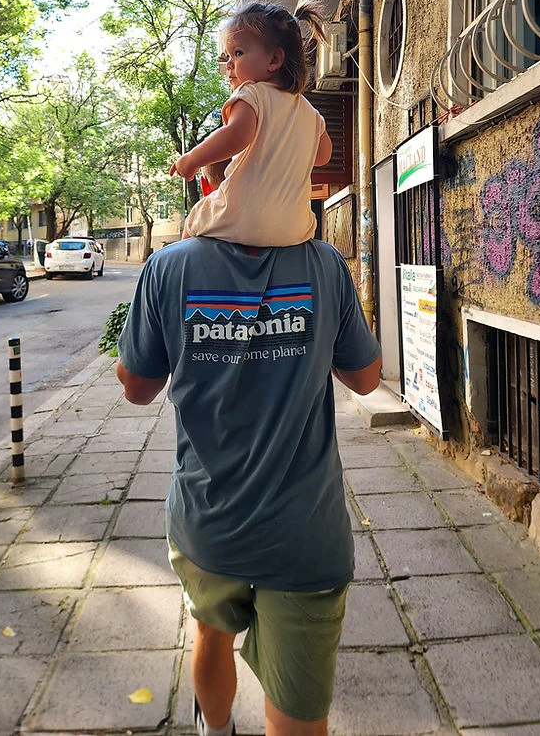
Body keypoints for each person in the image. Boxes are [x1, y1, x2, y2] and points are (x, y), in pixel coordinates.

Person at [116, 234, 381, 736]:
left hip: (208, 521)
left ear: (207, 187)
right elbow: (367, 379)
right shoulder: (323, 264)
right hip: (304, 533)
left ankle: (214, 731)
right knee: (299, 709)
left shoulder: (167, 268)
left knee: (210, 634)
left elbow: (136, 387)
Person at [169, 0, 334, 247]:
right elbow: (323, 156)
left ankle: (190, 272)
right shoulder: (310, 112)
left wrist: (191, 159)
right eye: (227, 57)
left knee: (196, 218)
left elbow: (236, 135)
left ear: (274, 60)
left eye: (238, 53)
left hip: (243, 220)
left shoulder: (251, 94)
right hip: (296, 229)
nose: (229, 64)